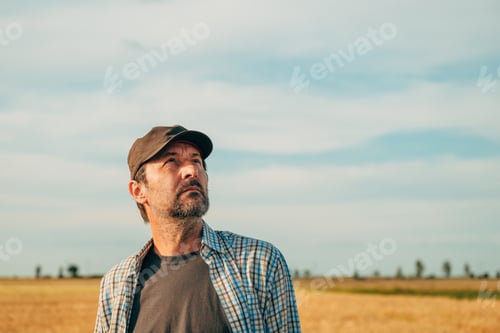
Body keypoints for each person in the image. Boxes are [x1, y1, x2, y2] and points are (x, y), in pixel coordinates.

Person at [94, 125, 301, 333]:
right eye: (171, 162)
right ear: (138, 191)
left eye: (196, 161)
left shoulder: (258, 262)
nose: (192, 170)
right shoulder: (116, 284)